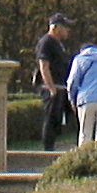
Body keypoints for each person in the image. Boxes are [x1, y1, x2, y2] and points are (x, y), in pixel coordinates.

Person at [35, 12, 78, 152]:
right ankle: (47, 149)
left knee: (70, 117)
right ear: (56, 27)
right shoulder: (46, 42)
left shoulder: (59, 44)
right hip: (52, 88)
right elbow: (44, 65)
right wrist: (51, 87)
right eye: (65, 27)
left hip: (62, 87)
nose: (68, 31)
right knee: (51, 119)